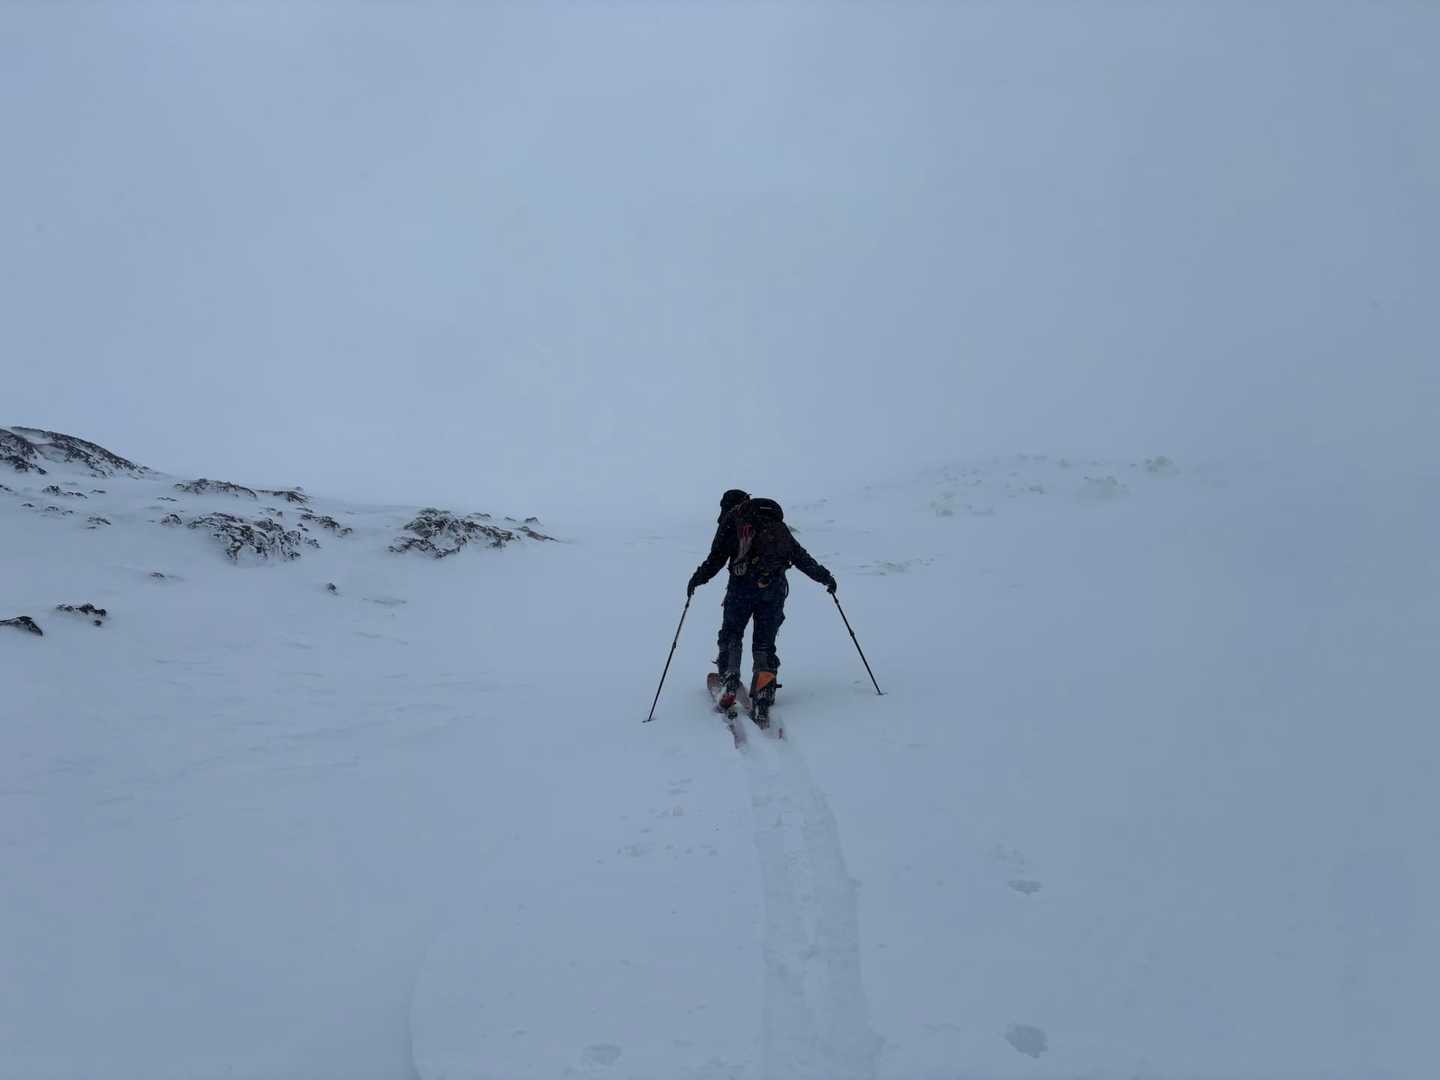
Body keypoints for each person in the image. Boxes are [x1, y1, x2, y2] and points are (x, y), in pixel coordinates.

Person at [687, 491, 837, 720]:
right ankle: (764, 689)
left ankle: (729, 679)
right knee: (765, 642)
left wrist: (697, 579)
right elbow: (799, 556)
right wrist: (825, 577)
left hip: (741, 588)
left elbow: (715, 559)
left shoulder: (733, 522)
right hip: (774, 589)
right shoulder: (775, 524)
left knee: (732, 633)